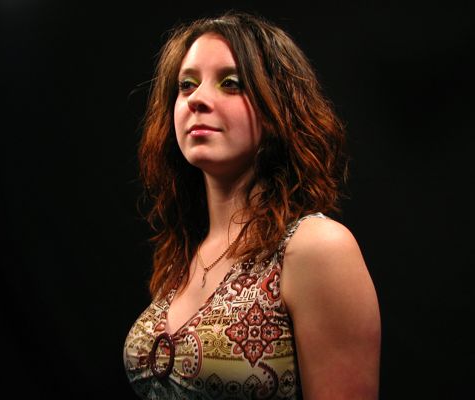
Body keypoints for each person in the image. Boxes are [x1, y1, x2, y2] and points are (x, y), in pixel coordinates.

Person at [123, 10, 381, 400]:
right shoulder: (185, 253)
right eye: (186, 85)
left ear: (277, 108)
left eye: (231, 83)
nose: (197, 100)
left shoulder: (315, 247)